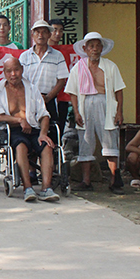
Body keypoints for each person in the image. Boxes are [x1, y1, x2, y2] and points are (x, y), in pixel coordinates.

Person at [0, 58, 60, 202]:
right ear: (4, 73)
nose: (13, 74)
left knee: (47, 146)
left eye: (16, 70)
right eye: (9, 71)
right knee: (21, 146)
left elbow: (44, 114)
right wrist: (19, 120)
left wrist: (43, 134)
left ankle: (46, 188)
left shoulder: (32, 88)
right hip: (13, 130)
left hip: (34, 128)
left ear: (22, 69)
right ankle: (27, 188)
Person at [65, 32, 125, 194]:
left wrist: (119, 112)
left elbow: (119, 90)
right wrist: (76, 112)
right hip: (85, 105)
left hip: (106, 103)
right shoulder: (79, 68)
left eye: (98, 46)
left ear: (102, 48)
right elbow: (73, 93)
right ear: (85, 49)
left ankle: (114, 181)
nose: (95, 49)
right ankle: (86, 181)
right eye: (91, 46)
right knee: (85, 141)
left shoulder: (110, 66)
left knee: (110, 140)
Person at [19, 20, 69, 127]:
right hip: (28, 99)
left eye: (44, 32)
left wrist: (48, 97)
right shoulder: (24, 56)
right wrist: (32, 96)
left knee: (51, 130)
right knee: (29, 130)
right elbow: (20, 80)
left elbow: (61, 80)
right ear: (32, 35)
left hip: (49, 99)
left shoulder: (58, 56)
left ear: (49, 35)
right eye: (37, 32)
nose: (40, 35)